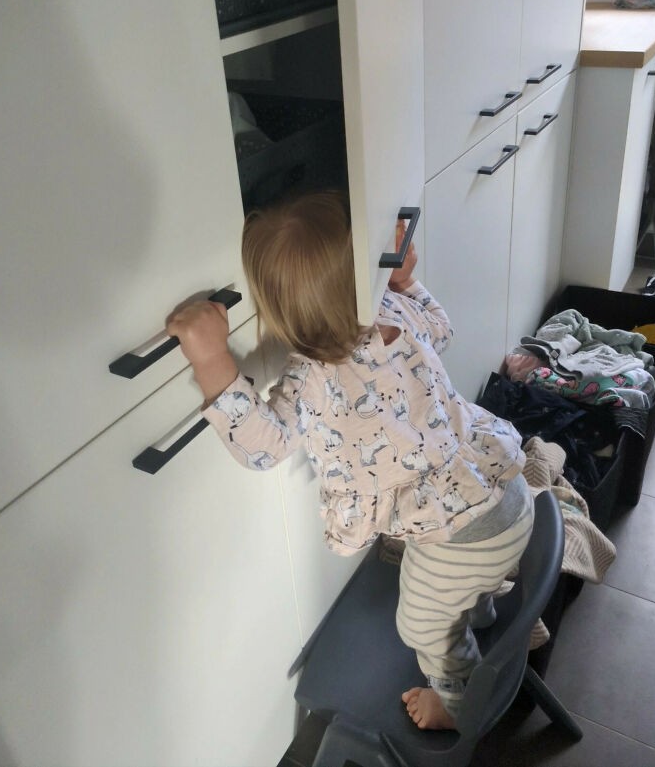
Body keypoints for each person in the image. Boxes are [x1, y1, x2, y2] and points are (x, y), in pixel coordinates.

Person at [166, 189, 534, 731]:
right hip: (508, 492)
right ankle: (478, 609)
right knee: (456, 588)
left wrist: (210, 357)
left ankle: (457, 704)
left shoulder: (311, 377)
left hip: (462, 535)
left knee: (420, 624)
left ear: (275, 311)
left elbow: (264, 446)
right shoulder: (392, 307)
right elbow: (442, 326)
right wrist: (405, 280)